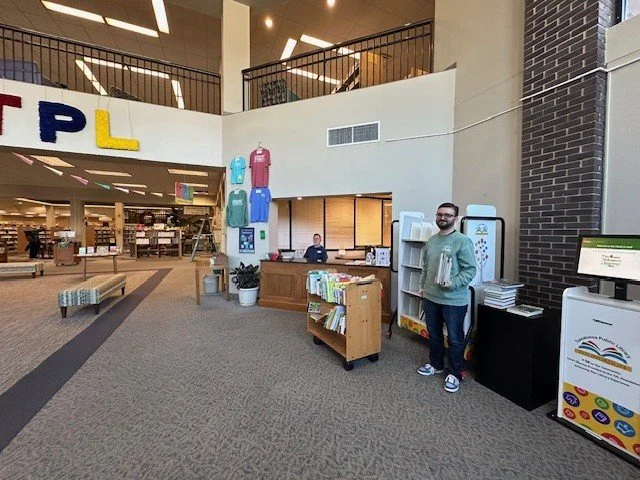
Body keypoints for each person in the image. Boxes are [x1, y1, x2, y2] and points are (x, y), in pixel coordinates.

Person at [416, 203, 476, 393]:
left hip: (453, 301)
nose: (443, 217)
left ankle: (455, 372)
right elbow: (426, 268)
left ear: (455, 219)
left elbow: (470, 270)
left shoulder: (462, 241)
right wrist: (422, 288)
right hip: (431, 298)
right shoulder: (432, 241)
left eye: (448, 215)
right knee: (434, 335)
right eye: (440, 214)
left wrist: (453, 282)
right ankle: (436, 365)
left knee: (455, 338)